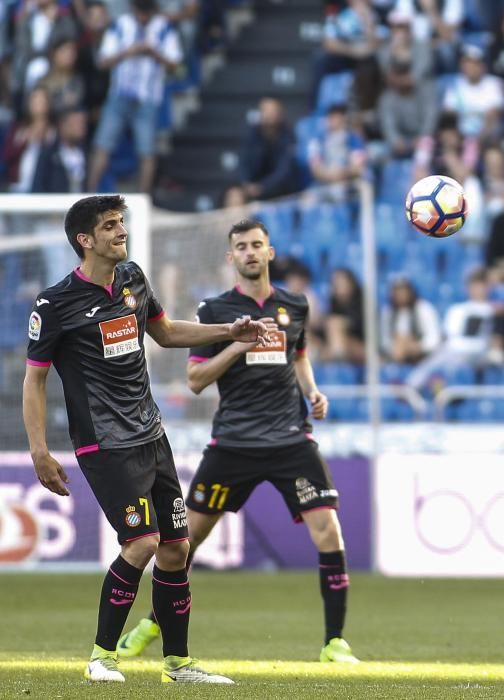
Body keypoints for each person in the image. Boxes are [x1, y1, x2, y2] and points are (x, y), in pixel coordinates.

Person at [21, 195, 272, 682]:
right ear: (85, 240)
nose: (122, 231)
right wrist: (39, 450)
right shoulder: (55, 303)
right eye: (110, 225)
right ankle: (101, 657)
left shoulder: (133, 278)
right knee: (142, 542)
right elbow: (35, 379)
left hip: (151, 434)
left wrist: (231, 331)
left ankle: (178, 664)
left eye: (122, 222)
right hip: (105, 442)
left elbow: (168, 332)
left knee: (176, 548)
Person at [116, 219, 359, 664]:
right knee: (183, 542)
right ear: (231, 257)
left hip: (290, 439)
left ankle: (334, 643)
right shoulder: (215, 310)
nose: (250, 252)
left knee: (329, 530)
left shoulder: (295, 304)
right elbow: (195, 380)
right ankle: (153, 622)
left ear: (270, 252)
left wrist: (312, 392)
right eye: (241, 246)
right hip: (233, 443)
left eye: (257, 244)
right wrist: (237, 345)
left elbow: (299, 355)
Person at [86, 0, 182, 193]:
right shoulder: (120, 25)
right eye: (140, 11)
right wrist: (128, 52)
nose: (143, 17)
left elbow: (176, 65)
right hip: (119, 95)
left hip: (148, 98)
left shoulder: (164, 28)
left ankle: (143, 198)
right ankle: (88, 193)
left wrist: (154, 53)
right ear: (133, 8)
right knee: (102, 145)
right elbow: (103, 61)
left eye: (147, 12)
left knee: (146, 150)